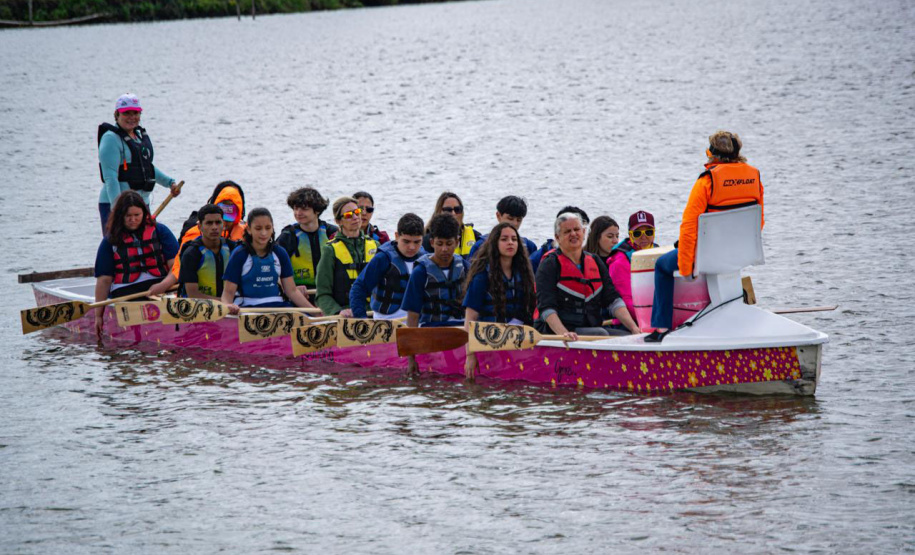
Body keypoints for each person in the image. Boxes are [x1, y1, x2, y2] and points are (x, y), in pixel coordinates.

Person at [646, 130, 764, 342]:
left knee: (662, 265)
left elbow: (689, 227)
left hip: (708, 255)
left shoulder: (706, 181)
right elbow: (758, 222)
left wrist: (685, 267)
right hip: (741, 252)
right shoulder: (754, 176)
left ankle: (661, 328)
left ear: (711, 153)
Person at [535, 212, 641, 340]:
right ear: (557, 237)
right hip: (557, 332)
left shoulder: (595, 261)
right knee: (601, 334)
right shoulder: (549, 265)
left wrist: (633, 328)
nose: (573, 234)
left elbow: (613, 300)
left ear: (584, 232)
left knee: (630, 337)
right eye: (567, 231)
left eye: (576, 229)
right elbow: (546, 308)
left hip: (589, 328)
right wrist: (563, 333)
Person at [93, 190, 179, 334]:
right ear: (121, 216)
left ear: (144, 214)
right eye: (128, 216)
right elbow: (104, 280)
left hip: (163, 287)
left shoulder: (160, 231)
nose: (133, 219)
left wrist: (163, 285)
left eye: (137, 215)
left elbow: (177, 267)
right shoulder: (110, 240)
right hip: (126, 292)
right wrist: (98, 315)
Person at [97, 93, 181, 233]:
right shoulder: (111, 139)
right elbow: (110, 178)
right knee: (119, 249)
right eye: (126, 113)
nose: (132, 117)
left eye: (135, 113)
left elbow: (146, 168)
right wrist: (118, 210)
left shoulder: (138, 136)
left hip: (141, 205)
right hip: (116, 205)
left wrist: (169, 183)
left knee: (145, 247)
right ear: (117, 114)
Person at [220, 208, 315, 314]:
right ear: (249, 229)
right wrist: (228, 306)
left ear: (272, 228)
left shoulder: (280, 253)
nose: (264, 233)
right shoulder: (240, 254)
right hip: (247, 307)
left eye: (268, 228)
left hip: (278, 306)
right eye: (258, 228)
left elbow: (291, 291)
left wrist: (314, 312)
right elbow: (228, 293)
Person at [162, 180, 248, 290]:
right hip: (201, 288)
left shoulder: (247, 232)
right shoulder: (194, 232)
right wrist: (163, 285)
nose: (225, 222)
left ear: (239, 214)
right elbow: (179, 265)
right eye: (223, 215)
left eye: (231, 215)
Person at [149, 204, 238, 298]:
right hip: (196, 306)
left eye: (218, 222)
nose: (214, 227)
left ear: (223, 225)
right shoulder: (191, 254)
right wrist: (225, 303)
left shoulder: (233, 248)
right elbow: (193, 295)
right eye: (209, 223)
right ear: (199, 226)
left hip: (228, 303)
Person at [349, 213, 426, 320]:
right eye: (406, 241)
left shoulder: (425, 258)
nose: (412, 247)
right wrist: (362, 319)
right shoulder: (383, 258)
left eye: (417, 242)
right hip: (387, 321)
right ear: (397, 236)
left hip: (417, 320)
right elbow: (359, 288)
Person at [314, 197, 378, 317]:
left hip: (373, 312)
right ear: (338, 221)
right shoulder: (330, 251)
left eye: (357, 212)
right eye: (348, 215)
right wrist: (338, 311)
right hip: (346, 314)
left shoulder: (375, 246)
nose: (355, 217)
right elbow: (322, 295)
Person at [403, 214, 467, 327]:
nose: (444, 249)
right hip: (431, 329)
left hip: (461, 327)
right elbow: (413, 314)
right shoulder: (420, 272)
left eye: (449, 243)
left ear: (457, 242)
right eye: (439, 243)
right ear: (432, 242)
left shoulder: (465, 267)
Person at [276, 187, 339, 293]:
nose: (298, 213)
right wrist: (292, 288)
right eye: (296, 208)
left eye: (304, 209)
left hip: (330, 291)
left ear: (317, 210)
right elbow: (274, 269)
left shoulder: (332, 233)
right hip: (299, 293)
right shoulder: (287, 236)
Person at [604, 211, 659, 325]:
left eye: (648, 232)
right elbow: (627, 300)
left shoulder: (659, 252)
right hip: (631, 318)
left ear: (654, 233)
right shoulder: (619, 261)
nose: (644, 237)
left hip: (655, 311)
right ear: (630, 235)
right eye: (637, 233)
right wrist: (654, 318)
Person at [466, 195, 540, 270]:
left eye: (519, 220)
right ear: (498, 216)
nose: (514, 223)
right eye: (510, 218)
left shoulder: (529, 246)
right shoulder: (480, 245)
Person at [530, 205, 590, 270]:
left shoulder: (592, 258)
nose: (574, 234)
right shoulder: (539, 257)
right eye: (568, 230)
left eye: (577, 229)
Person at [422, 192, 481, 256]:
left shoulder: (477, 237)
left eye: (457, 209)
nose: (453, 213)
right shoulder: (426, 241)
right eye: (448, 210)